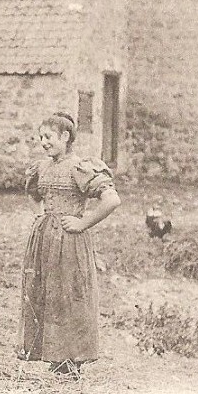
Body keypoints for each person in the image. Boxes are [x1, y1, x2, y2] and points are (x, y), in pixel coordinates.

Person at [19, 112, 121, 378]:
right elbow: (33, 193)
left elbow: (111, 199)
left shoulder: (80, 167)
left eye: (49, 137)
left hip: (70, 241)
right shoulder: (41, 167)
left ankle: (71, 361)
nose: (43, 142)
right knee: (46, 294)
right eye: (41, 137)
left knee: (69, 297)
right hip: (44, 241)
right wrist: (41, 214)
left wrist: (83, 222)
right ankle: (53, 357)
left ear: (65, 137)